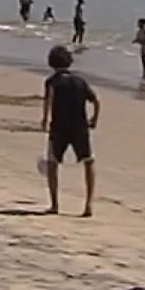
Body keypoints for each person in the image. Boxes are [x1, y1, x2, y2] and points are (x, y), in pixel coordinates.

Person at [41, 44, 100, 217]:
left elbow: (48, 100)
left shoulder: (52, 81)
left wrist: (44, 119)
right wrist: (94, 119)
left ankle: (54, 204)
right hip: (79, 126)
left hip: (59, 126)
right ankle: (88, 204)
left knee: (53, 163)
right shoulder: (79, 81)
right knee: (88, 161)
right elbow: (96, 100)